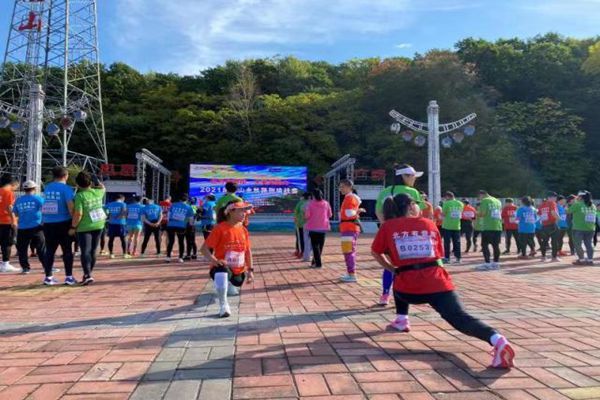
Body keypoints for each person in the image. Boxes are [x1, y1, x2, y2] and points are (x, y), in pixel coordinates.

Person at [371, 194, 515, 369]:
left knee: (399, 275)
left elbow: (376, 252)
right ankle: (497, 339)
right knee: (460, 318)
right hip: (438, 284)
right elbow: (438, 253)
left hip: (407, 291)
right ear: (410, 206)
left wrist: (392, 267)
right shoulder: (429, 224)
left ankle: (402, 319)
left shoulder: (387, 226)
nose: (418, 207)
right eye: (416, 204)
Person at [375, 163, 425, 306]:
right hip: (408, 236)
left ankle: (385, 295)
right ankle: (408, 294)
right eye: (413, 176)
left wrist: (387, 227)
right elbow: (418, 213)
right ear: (404, 176)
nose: (414, 179)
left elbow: (378, 211)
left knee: (390, 266)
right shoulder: (412, 192)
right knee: (409, 266)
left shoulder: (385, 191)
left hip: (389, 235)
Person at [200, 199, 254, 318]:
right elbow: (204, 249)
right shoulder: (220, 228)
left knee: (237, 282)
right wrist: (215, 261)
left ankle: (228, 284)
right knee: (222, 270)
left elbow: (247, 251)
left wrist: (250, 271)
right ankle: (223, 305)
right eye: (241, 211)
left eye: (245, 211)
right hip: (222, 267)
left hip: (238, 270)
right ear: (230, 212)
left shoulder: (243, 229)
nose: (244, 214)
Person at [70, 171, 106, 285]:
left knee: (85, 251)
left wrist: (73, 227)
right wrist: (96, 180)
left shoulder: (79, 196)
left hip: (84, 227)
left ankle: (88, 275)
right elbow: (102, 187)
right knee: (93, 250)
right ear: (90, 183)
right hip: (99, 224)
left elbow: (78, 214)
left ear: (77, 184)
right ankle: (88, 274)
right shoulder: (98, 192)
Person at [42, 166, 76, 285]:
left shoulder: (47, 188)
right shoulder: (66, 189)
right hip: (63, 223)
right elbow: (70, 206)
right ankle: (69, 277)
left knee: (49, 251)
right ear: (65, 176)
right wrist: (74, 223)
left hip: (48, 223)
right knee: (67, 250)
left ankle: (48, 277)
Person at [13, 180, 45, 274]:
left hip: (22, 227)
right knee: (41, 248)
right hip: (36, 227)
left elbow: (15, 213)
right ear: (34, 188)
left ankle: (25, 268)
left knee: (22, 249)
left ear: (24, 189)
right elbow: (47, 210)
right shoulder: (38, 199)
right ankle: (47, 267)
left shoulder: (18, 200)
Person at [339, 179, 364, 282]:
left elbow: (349, 213)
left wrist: (357, 212)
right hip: (348, 227)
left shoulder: (350, 198)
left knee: (348, 251)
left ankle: (351, 274)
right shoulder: (350, 198)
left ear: (349, 187)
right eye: (340, 187)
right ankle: (350, 273)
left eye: (342, 186)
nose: (340, 189)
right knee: (348, 250)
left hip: (349, 227)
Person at [304, 189, 332, 269]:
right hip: (323, 227)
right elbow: (330, 215)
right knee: (320, 246)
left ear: (313, 196)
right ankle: (314, 262)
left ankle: (318, 263)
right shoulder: (326, 203)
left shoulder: (310, 204)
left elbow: (307, 216)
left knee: (315, 246)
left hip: (313, 227)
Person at [475, 190, 503, 271]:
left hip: (488, 226)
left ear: (481, 194)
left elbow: (483, 214)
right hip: (497, 226)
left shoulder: (485, 201)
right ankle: (496, 263)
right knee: (495, 245)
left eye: (479, 197)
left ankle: (487, 263)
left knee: (484, 245)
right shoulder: (498, 201)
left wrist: (476, 213)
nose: (479, 199)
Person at [568, 190, 596, 265]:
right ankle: (590, 260)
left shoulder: (577, 204)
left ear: (581, 197)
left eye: (578, 196)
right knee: (589, 244)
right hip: (590, 228)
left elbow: (568, 211)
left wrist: (571, 204)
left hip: (578, 228)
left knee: (578, 244)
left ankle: (582, 259)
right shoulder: (592, 205)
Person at [165, 193, 195, 263]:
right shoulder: (189, 207)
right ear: (187, 199)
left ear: (179, 199)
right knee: (181, 242)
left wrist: (169, 223)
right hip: (181, 226)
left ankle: (168, 257)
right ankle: (180, 258)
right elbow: (191, 220)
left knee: (171, 241)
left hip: (171, 225)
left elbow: (168, 215)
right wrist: (190, 226)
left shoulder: (173, 205)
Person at [0, 175, 18, 272]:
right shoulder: (9, 193)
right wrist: (13, 220)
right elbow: (9, 208)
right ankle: (5, 264)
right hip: (6, 221)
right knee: (7, 243)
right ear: (13, 183)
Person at [538, 192, 561, 262]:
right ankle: (554, 257)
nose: (556, 198)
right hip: (552, 224)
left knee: (544, 242)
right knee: (554, 241)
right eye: (555, 197)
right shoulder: (552, 203)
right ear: (550, 197)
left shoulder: (542, 205)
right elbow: (553, 212)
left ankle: (543, 257)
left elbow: (539, 214)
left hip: (544, 225)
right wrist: (559, 218)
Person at [441, 191, 464, 264]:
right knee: (457, 242)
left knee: (447, 243)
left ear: (447, 196)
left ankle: (447, 258)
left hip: (447, 226)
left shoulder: (446, 203)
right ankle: (458, 258)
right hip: (457, 226)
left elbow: (443, 214)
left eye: (445, 197)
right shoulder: (460, 203)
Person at [106, 194, 127, 259]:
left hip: (111, 223)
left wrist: (108, 216)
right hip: (121, 223)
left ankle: (111, 254)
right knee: (123, 239)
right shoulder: (123, 204)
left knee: (111, 239)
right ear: (121, 198)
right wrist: (117, 217)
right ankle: (124, 254)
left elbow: (104, 210)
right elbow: (124, 213)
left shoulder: (109, 204)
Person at [293, 193, 310, 259]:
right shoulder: (311, 203)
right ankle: (305, 252)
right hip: (309, 225)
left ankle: (300, 251)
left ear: (303, 197)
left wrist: (295, 220)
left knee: (300, 238)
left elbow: (295, 212)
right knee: (307, 239)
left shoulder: (300, 203)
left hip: (300, 224)